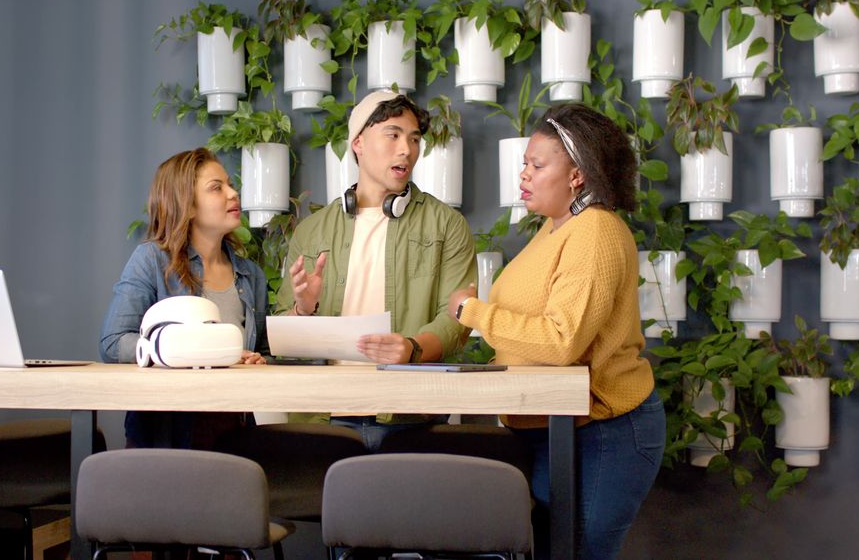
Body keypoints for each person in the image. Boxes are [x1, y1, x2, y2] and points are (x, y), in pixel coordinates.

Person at [448, 103, 665, 559]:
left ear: (577, 175)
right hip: (554, 429)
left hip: (604, 432)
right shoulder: (556, 227)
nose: (524, 175)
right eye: (525, 164)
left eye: (537, 165)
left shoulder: (595, 232)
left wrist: (473, 312)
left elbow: (561, 341)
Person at [276, 91, 477, 451]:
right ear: (358, 143)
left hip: (410, 418)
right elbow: (283, 340)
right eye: (393, 135)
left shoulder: (447, 225)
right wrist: (303, 310)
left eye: (414, 139)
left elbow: (457, 321)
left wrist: (412, 349)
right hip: (323, 418)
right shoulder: (312, 231)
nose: (406, 150)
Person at [100, 147, 268, 450]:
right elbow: (113, 343)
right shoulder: (151, 260)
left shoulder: (251, 274)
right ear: (187, 205)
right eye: (216, 188)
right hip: (162, 437)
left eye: (230, 185)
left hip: (235, 432)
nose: (233, 193)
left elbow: (263, 352)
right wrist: (190, 350)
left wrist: (258, 358)